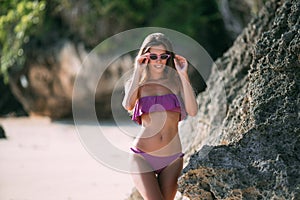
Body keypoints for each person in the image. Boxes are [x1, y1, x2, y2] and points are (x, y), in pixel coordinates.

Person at [122, 33, 198, 200]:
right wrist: (137, 70)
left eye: (163, 56)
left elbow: (193, 111)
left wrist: (184, 75)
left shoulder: (176, 82)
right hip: (142, 156)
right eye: (153, 56)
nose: (158, 60)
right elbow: (128, 104)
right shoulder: (138, 84)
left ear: (168, 57)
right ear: (145, 57)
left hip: (172, 160)